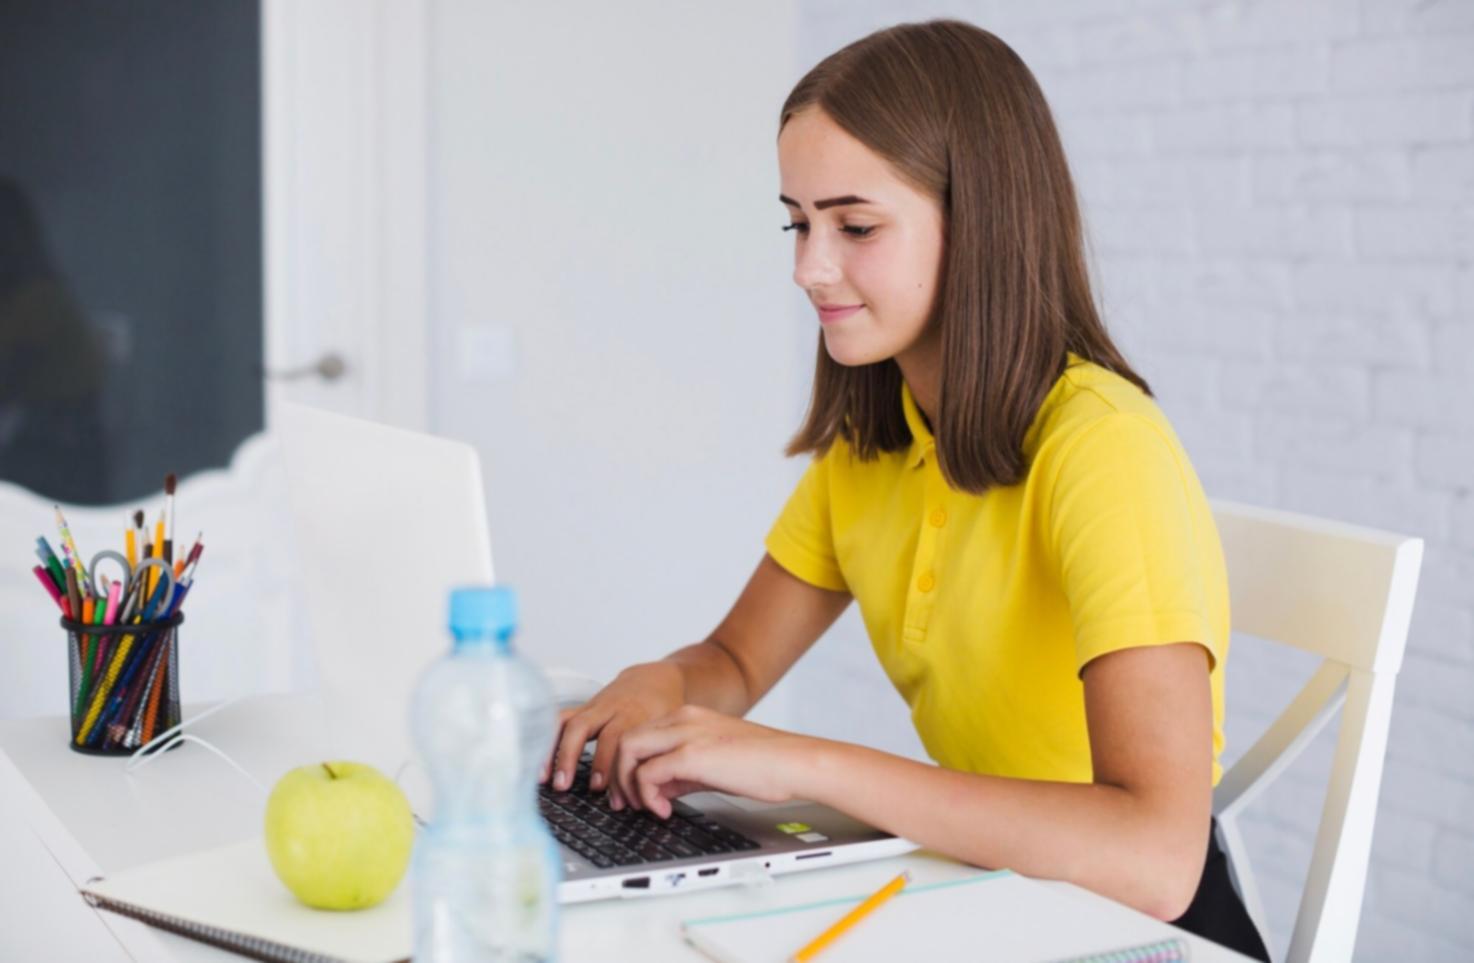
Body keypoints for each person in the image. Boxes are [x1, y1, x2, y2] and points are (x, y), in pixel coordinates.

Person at [544, 20, 1269, 960]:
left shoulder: (1102, 450)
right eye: (797, 222)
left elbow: (1157, 857)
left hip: (1132, 927)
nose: (809, 266)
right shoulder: (874, 444)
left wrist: (803, 762)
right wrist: (663, 684)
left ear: (983, 220)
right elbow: (733, 654)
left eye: (855, 225)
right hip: (994, 900)